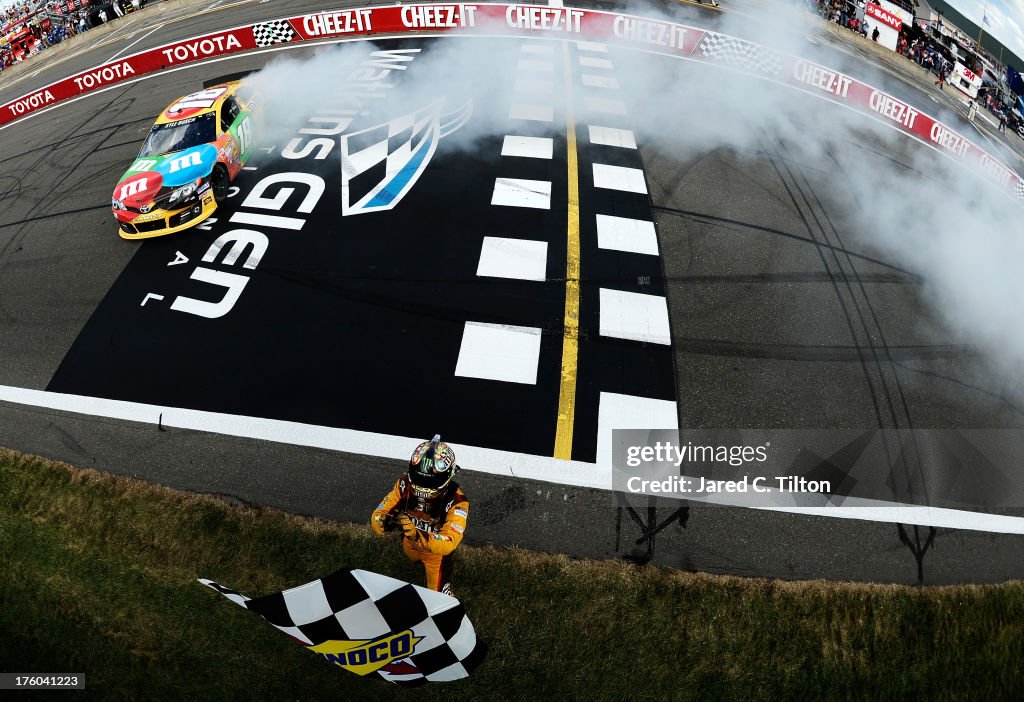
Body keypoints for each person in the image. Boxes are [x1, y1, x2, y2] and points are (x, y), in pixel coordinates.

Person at [370, 435, 469, 596]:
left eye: (430, 481)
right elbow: (380, 513)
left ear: (449, 474)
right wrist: (380, 521)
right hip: (409, 544)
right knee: (412, 557)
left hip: (435, 555)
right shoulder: (403, 484)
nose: (423, 486)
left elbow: (450, 541)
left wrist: (418, 536)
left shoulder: (458, 502)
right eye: (419, 477)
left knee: (440, 599)